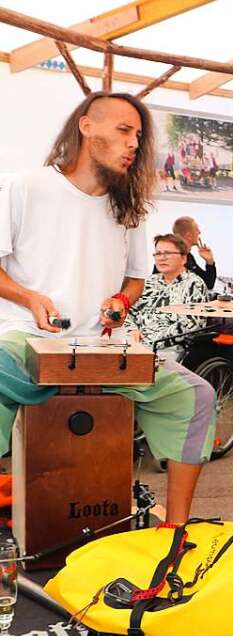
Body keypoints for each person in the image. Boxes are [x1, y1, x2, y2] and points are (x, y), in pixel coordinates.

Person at [0, 92, 215, 525]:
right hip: (26, 338)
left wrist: (120, 301)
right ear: (86, 126)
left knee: (197, 396)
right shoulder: (25, 186)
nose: (134, 143)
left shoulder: (130, 208)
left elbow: (135, 279)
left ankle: (174, 532)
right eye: (123, 130)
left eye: (138, 135)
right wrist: (31, 298)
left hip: (104, 349)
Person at [125, 233, 208, 357]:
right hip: (136, 342)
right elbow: (128, 311)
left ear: (184, 258)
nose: (161, 258)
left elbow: (192, 324)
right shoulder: (149, 281)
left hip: (169, 347)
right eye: (158, 254)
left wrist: (151, 340)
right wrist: (132, 330)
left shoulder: (194, 284)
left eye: (168, 253)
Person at [171, 216, 217, 290]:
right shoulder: (174, 258)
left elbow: (208, 284)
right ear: (189, 236)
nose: (199, 232)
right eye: (196, 230)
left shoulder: (188, 256)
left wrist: (209, 262)